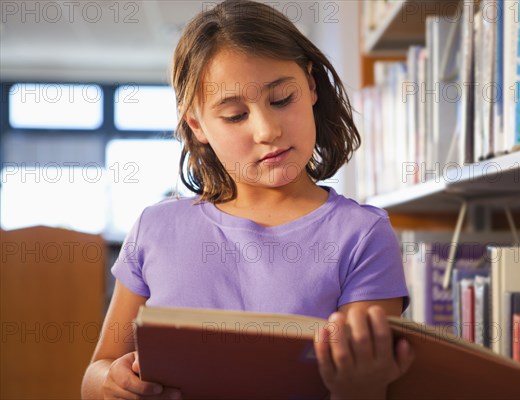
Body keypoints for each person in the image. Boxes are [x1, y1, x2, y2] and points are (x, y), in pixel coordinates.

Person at [81, 1, 412, 399]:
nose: (267, 130)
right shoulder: (155, 228)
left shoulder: (362, 235)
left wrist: (360, 387)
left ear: (310, 86)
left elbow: (368, 381)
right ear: (197, 124)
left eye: (281, 99)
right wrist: (111, 383)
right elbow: (95, 375)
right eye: (236, 115)